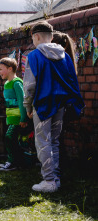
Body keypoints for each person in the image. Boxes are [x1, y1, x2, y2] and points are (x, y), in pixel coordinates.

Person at [23, 21, 85, 192]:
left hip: (43, 105)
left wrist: (28, 106)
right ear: (51, 36)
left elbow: (29, 85)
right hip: (60, 105)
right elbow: (71, 81)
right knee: (54, 141)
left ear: (36, 37)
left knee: (43, 142)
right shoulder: (64, 56)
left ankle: (49, 180)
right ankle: (55, 178)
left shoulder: (34, 56)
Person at [0, 57, 29, 171]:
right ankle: (17, 162)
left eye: (1, 69)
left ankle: (12, 162)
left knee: (9, 137)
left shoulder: (16, 83)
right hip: (11, 117)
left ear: (10, 69)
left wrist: (24, 118)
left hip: (18, 117)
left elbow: (22, 100)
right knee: (13, 139)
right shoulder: (7, 83)